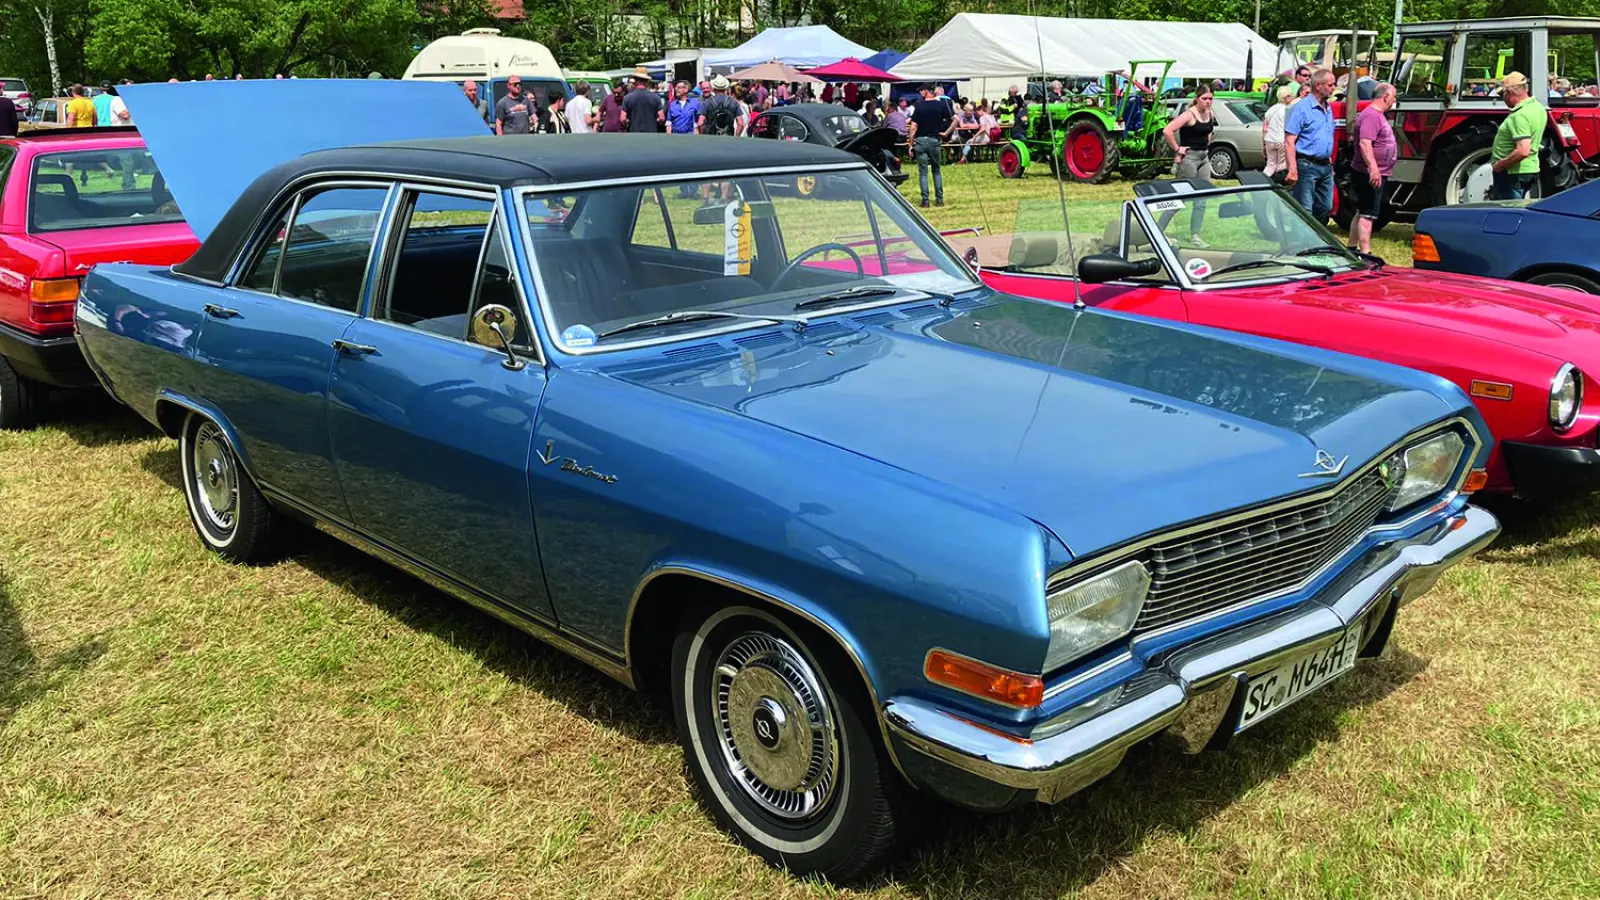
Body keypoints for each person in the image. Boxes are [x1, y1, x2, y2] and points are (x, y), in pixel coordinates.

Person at [1161, 84, 1217, 245]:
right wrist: (1177, 149)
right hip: (1190, 158)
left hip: (1204, 157)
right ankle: (1158, 230)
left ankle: (1195, 236)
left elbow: (1209, 131)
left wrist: (1207, 144)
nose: (1208, 102)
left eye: (1210, 99)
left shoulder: (1210, 113)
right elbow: (1167, 130)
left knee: (1202, 198)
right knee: (1181, 198)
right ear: (1197, 98)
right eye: (1204, 98)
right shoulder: (1189, 114)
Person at [1349, 83, 1398, 254]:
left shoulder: (1377, 115)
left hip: (1377, 171)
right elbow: (1365, 143)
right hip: (1369, 173)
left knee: (1362, 211)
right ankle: (1366, 253)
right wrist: (1374, 169)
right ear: (1385, 96)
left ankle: (1352, 247)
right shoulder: (1371, 116)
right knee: (1368, 214)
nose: (1394, 100)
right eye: (1393, 96)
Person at [1284, 68, 1336, 223]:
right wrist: (1292, 169)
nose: (1333, 88)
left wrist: (1329, 161)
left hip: (1325, 165)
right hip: (1307, 165)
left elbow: (1326, 136)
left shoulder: (1328, 108)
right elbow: (1289, 140)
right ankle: (1301, 241)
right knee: (1305, 208)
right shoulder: (1302, 108)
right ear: (1319, 86)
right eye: (1330, 85)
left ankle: (1314, 236)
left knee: (1326, 206)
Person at [1489, 72, 1546, 200]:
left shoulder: (1519, 115)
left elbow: (1523, 151)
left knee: (1507, 212)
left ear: (1510, 93)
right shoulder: (1538, 108)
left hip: (1512, 173)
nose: (1502, 98)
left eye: (1502, 94)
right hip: (1530, 168)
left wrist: (1499, 166)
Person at [907, 83, 954, 208]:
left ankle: (925, 200)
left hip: (921, 140)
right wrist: (946, 133)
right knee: (936, 171)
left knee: (923, 172)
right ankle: (939, 200)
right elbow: (956, 119)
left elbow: (913, 128)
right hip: (935, 140)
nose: (920, 93)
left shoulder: (919, 106)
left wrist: (910, 144)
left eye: (921, 90)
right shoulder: (941, 105)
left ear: (927, 91)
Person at [1261, 83, 1294, 179]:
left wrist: (1263, 144)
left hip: (1269, 140)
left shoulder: (1270, 110)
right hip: (1281, 140)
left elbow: (1264, 128)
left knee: (1270, 165)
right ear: (1286, 97)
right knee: (1282, 166)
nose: (1292, 98)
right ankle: (1279, 186)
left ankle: (1263, 182)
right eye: (1291, 96)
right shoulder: (1287, 110)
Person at [622, 69, 663, 133]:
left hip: (634, 133)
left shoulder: (627, 97)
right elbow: (661, 118)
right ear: (647, 81)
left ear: (635, 80)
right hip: (651, 133)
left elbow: (623, 119)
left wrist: (628, 122)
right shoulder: (656, 97)